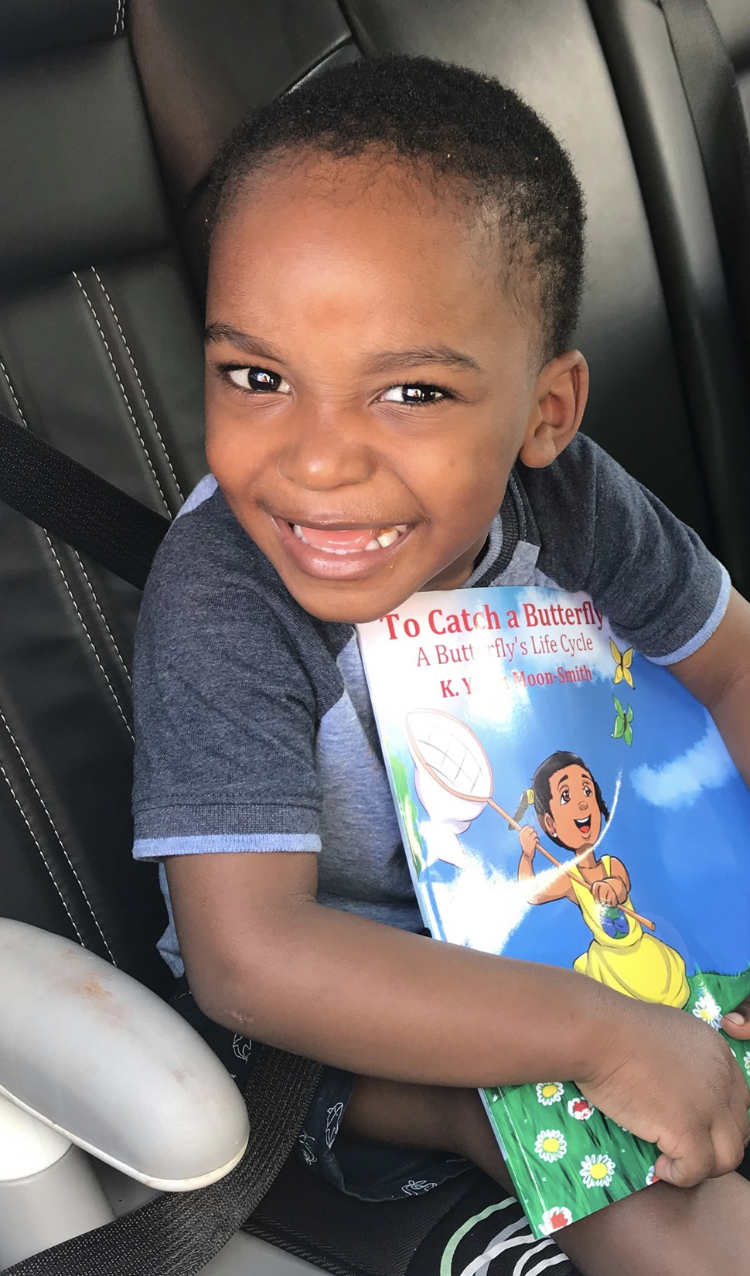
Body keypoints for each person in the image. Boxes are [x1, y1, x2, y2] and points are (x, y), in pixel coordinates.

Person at [132, 54, 750, 1275]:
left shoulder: (566, 501)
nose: (316, 464)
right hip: (337, 993)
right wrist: (596, 1038)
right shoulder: (224, 595)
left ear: (544, 414)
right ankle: (477, 1130)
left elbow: (733, 670)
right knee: (647, 1196)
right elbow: (253, 959)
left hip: (585, 930)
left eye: (410, 391)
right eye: (255, 377)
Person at [517, 752, 690, 1007]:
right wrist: (527, 856)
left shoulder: (612, 864)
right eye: (567, 796)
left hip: (640, 950)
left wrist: (612, 887)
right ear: (550, 824)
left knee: (668, 992)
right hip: (611, 962)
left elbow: (621, 886)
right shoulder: (570, 880)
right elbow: (530, 894)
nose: (583, 803)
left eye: (587, 790)